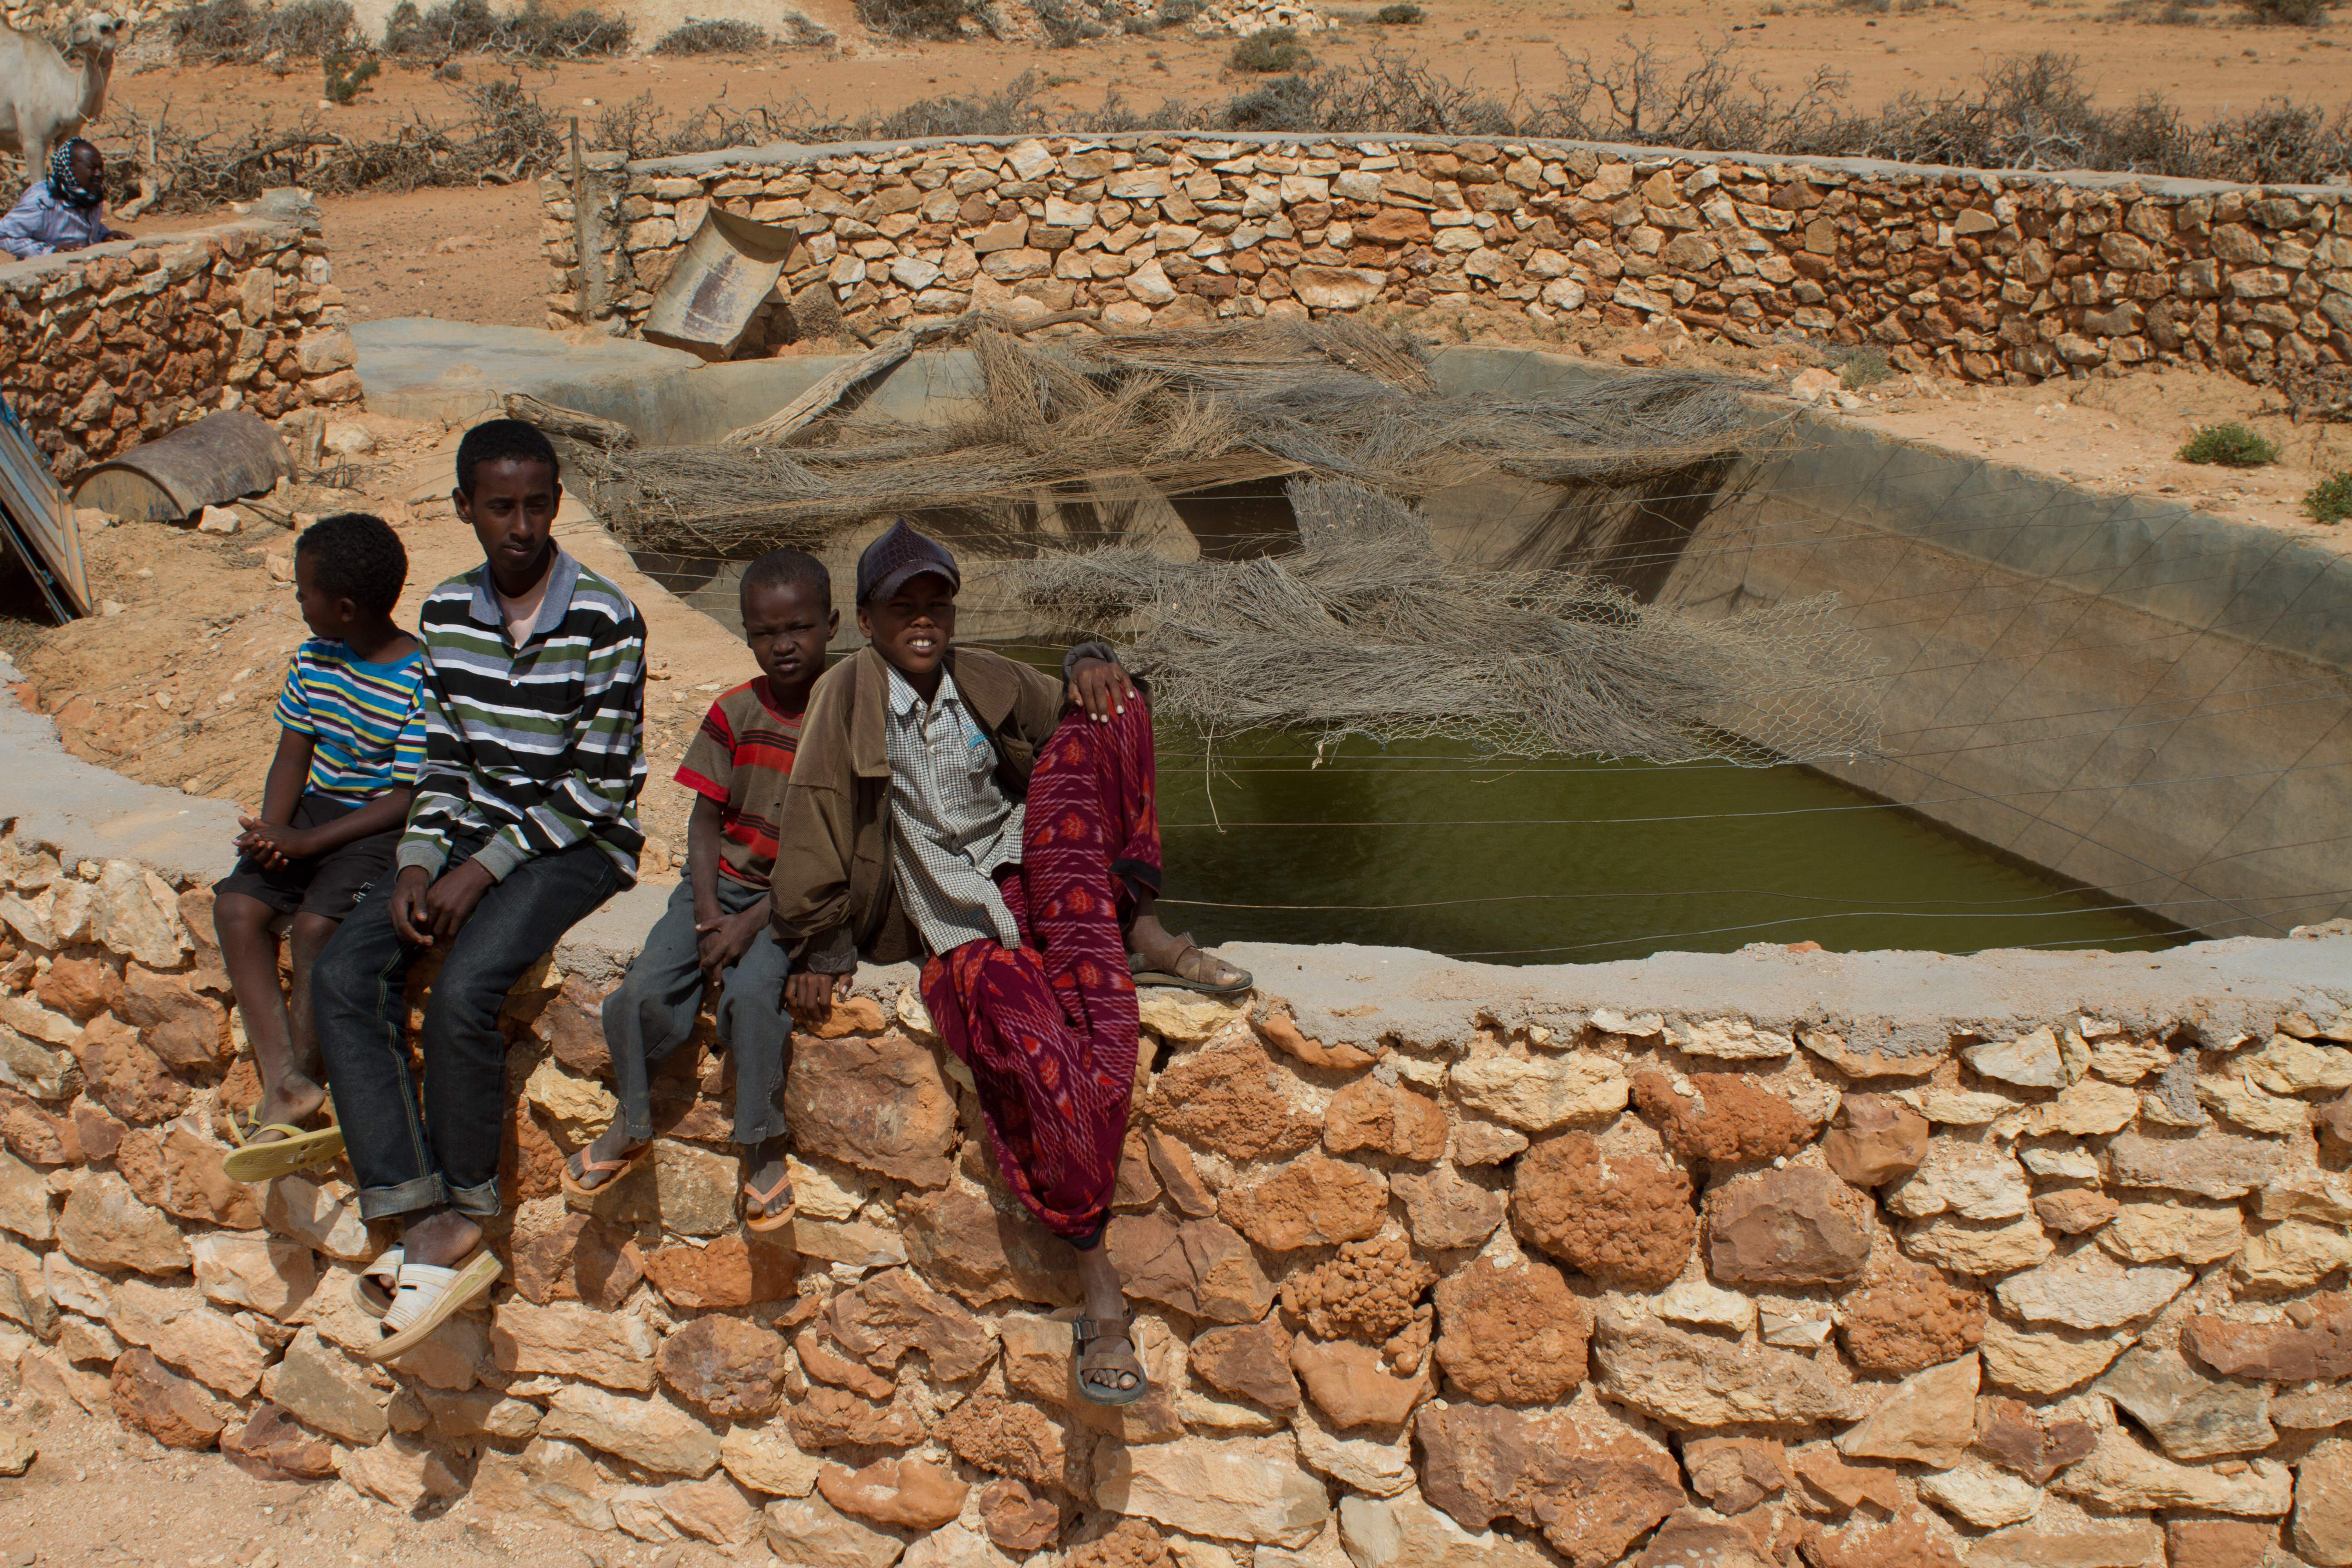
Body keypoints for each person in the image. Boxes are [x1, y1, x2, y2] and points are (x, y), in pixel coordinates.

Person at [768, 519, 1250, 1406]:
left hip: (1037, 875)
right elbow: (814, 821)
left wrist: (1090, 659)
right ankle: (1097, 1284)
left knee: (1118, 701)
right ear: (866, 619)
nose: (922, 619)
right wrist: (819, 939)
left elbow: (1073, 709)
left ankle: (1132, 924)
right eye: (900, 605)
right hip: (959, 930)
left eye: (936, 602)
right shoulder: (849, 694)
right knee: (1045, 1055)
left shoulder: (980, 675)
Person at [310, 418, 647, 1360]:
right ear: (465, 507)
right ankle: (408, 1204)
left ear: (556, 504)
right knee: (345, 972)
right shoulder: (451, 614)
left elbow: (599, 782)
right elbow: (445, 752)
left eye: (538, 503)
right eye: (500, 506)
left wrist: (482, 868)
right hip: (466, 836)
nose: (522, 524)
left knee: (465, 990)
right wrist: (420, 859)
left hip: (578, 842)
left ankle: (465, 1210)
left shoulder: (607, 617)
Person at [561, 548, 836, 1230]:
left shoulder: (845, 718)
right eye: (767, 633)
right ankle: (634, 1118)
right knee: (640, 993)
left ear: (831, 625)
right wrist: (711, 914)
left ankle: (761, 1145)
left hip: (791, 904)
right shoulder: (734, 712)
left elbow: (846, 850)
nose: (785, 646)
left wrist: (751, 927)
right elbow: (705, 818)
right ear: (747, 635)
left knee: (751, 998)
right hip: (717, 888)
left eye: (799, 628)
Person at [214, 514, 423, 1185]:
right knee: (238, 911)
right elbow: (291, 754)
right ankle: (287, 1083)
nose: (297, 601)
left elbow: (406, 797)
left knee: (313, 929)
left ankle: (300, 1082)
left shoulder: (420, 676)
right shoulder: (313, 660)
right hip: (311, 815)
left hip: (373, 831)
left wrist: (307, 840)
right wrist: (274, 835)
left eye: (304, 591)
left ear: (344, 607)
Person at [0, 140, 132, 260]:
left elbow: (83, 226)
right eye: (92, 168)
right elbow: (3, 235)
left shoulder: (91, 196)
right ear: (70, 168)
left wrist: (104, 235)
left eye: (101, 168)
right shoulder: (44, 201)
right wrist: (49, 251)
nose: (99, 174)